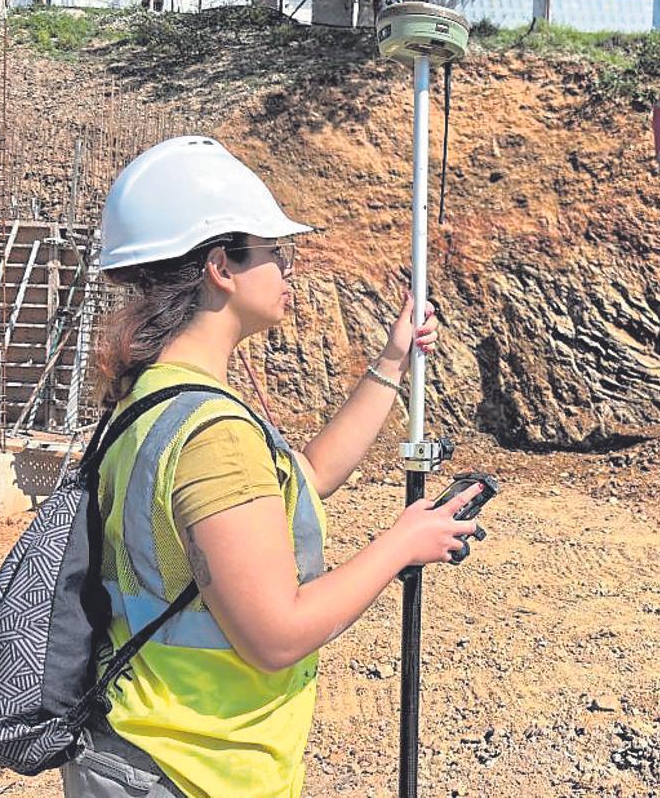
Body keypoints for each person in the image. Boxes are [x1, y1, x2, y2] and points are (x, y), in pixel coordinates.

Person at [62, 135, 483, 797]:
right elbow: (275, 636)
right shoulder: (212, 433)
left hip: (146, 751)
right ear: (221, 267)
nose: (289, 271)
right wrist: (402, 543)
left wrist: (392, 362)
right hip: (195, 769)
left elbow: (302, 481)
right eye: (275, 254)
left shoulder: (158, 398)